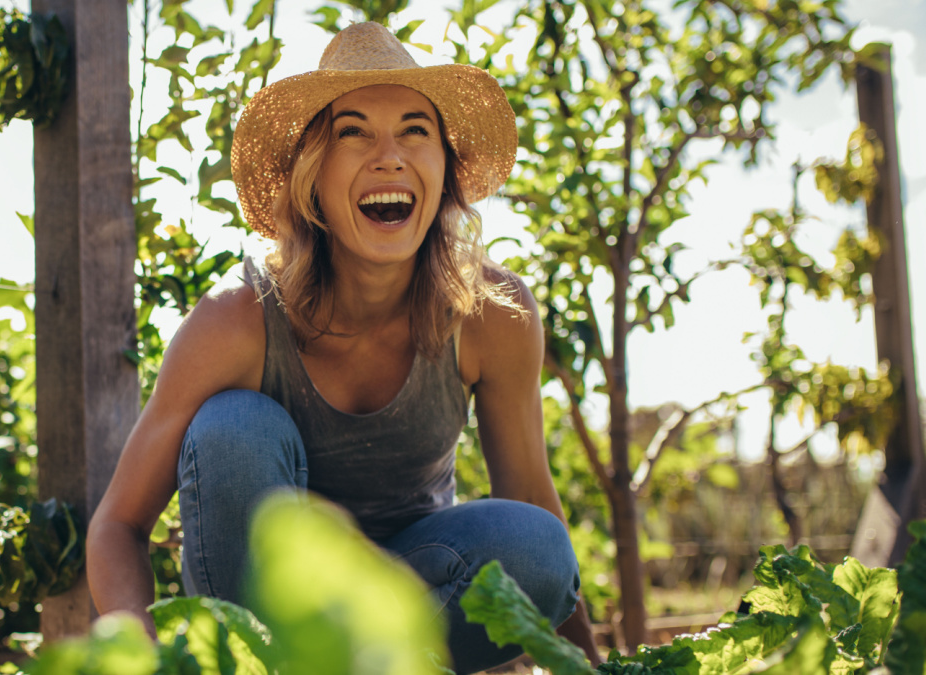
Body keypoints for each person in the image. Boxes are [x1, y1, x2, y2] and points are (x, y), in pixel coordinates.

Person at [88, 21, 600, 673]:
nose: (389, 156)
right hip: (262, 620)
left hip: (418, 592)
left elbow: (530, 498)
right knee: (234, 427)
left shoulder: (491, 313)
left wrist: (591, 664)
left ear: (444, 172)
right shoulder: (235, 321)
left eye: (415, 130)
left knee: (539, 546)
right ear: (312, 175)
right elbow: (117, 525)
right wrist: (141, 654)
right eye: (353, 132)